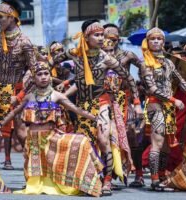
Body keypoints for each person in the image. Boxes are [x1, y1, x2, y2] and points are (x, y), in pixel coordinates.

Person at [49, 19, 142, 195]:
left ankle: (107, 181)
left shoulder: (106, 58)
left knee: (103, 139)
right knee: (85, 143)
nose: (101, 38)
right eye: (97, 35)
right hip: (82, 105)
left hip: (102, 104)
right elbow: (50, 62)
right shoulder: (75, 54)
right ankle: (88, 178)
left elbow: (129, 79)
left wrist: (137, 103)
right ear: (86, 36)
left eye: (102, 35)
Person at [0, 62, 104, 197]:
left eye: (46, 74)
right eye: (39, 74)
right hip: (33, 140)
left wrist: (96, 118)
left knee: (82, 142)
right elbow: (13, 113)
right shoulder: (29, 97)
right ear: (33, 78)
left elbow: (77, 110)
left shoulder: (57, 96)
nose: (43, 77)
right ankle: (38, 185)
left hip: (51, 137)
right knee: (36, 169)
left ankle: (87, 183)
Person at [0, 0, 36, 169]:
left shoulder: (25, 42)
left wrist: (19, 95)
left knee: (20, 132)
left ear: (12, 17)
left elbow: (34, 71)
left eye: (1, 17)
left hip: (15, 92)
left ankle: (34, 167)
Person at [140, 27, 186, 190]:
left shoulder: (168, 62)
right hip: (155, 105)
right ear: (148, 42)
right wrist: (173, 99)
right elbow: (152, 89)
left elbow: (179, 78)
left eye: (159, 39)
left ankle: (163, 175)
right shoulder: (145, 64)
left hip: (169, 106)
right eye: (153, 39)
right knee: (157, 142)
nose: (156, 41)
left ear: (163, 42)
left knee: (165, 144)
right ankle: (155, 179)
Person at [103, 23, 145, 187]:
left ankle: (139, 174)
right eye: (106, 38)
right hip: (105, 100)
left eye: (113, 38)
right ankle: (109, 175)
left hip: (124, 100)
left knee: (132, 136)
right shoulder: (98, 56)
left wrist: (137, 102)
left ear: (118, 39)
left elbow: (141, 69)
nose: (110, 41)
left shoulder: (127, 55)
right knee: (107, 137)